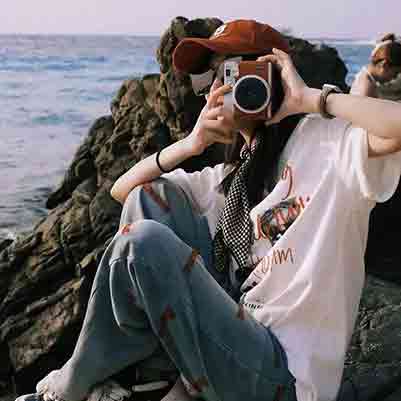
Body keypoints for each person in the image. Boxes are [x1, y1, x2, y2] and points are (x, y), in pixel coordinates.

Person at [15, 18, 401, 401]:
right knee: (150, 197)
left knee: (142, 243)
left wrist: (310, 99)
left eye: (226, 74)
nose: (212, 91)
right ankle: (149, 376)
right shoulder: (228, 179)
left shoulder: (329, 146)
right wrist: (191, 144)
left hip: (283, 379)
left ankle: (73, 384)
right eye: (206, 81)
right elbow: (124, 192)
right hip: (231, 342)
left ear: (270, 73)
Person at [350, 33, 401, 100]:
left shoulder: (364, 77)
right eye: (395, 73)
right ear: (384, 65)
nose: (394, 77)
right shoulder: (366, 89)